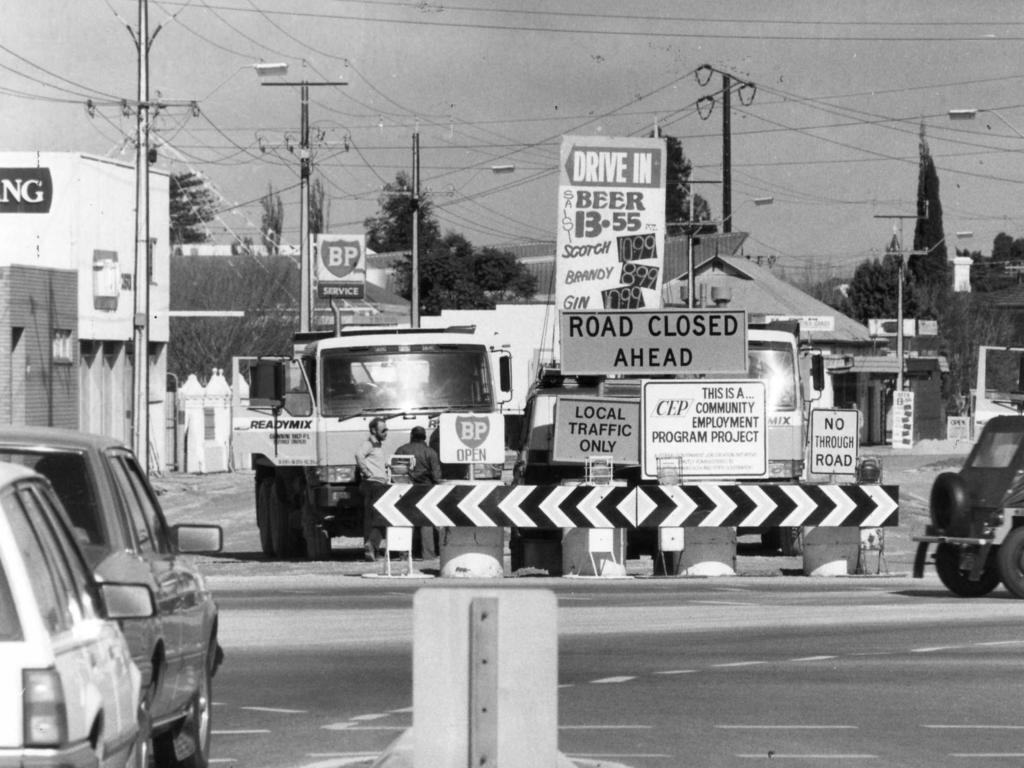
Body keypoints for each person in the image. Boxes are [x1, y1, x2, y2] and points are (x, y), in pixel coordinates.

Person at [395, 425, 442, 559]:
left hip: (406, 489)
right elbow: (437, 476)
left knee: (405, 521)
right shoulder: (430, 452)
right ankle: (428, 554)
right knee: (425, 522)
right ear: (425, 437)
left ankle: (404, 553)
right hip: (425, 490)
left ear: (411, 436)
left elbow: (395, 471)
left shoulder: (401, 450)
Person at [355, 417, 390, 561]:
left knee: (370, 519)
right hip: (374, 484)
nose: (386, 432)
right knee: (381, 518)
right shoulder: (369, 443)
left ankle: (371, 551)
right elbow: (358, 455)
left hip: (375, 484)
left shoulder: (377, 445)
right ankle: (372, 545)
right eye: (383, 430)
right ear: (374, 430)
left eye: (386, 429)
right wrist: (366, 471)